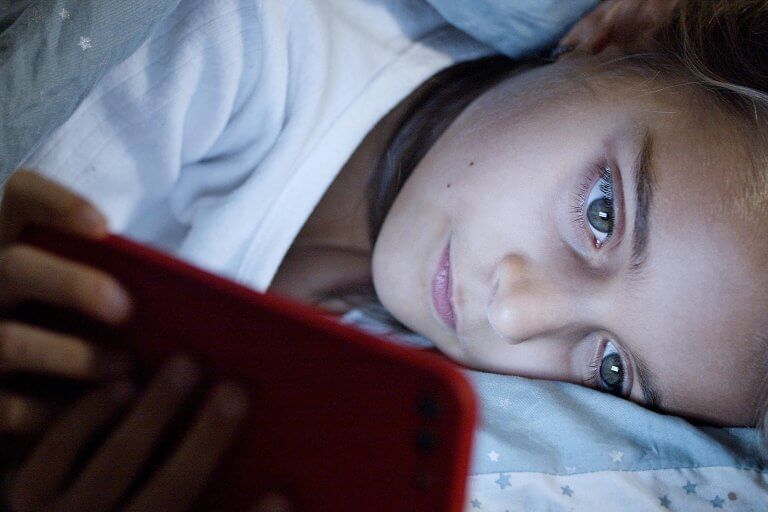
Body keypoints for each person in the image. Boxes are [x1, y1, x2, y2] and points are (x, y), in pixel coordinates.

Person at [2, 0, 767, 509]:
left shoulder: (379, 404)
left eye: (611, 368)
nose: (514, 314)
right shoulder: (240, 38)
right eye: (602, 213)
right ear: (618, 34)